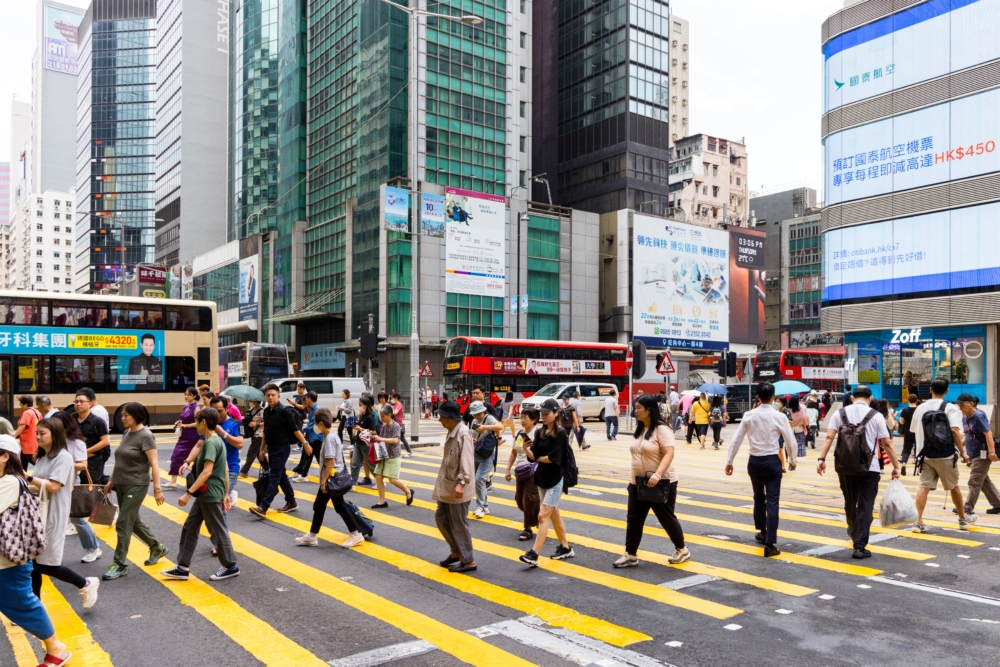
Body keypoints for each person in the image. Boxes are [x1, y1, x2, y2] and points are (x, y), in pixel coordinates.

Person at [0, 435, 72, 667]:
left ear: (4, 457)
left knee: (24, 605)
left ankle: (56, 648)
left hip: (9, 563)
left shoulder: (9, 483)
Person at [818, 385, 900, 558]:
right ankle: (859, 545)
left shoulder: (840, 413)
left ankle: (853, 529)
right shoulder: (876, 416)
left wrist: (821, 459)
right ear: (870, 399)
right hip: (870, 468)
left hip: (845, 467)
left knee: (850, 501)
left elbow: (829, 437)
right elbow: (887, 443)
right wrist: (896, 466)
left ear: (853, 397)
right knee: (865, 505)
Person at [27, 419, 100, 608]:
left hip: (54, 515)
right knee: (34, 563)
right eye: (37, 433)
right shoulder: (43, 456)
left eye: (42, 433)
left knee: (46, 564)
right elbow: (39, 486)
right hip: (38, 513)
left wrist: (26, 476)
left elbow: (52, 486)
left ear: (55, 434)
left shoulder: (64, 457)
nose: (38, 437)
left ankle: (85, 583)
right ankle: (34, 606)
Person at [161, 407, 240, 581]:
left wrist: (188, 493)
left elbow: (207, 472)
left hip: (209, 493)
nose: (195, 424)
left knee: (217, 530)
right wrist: (226, 493)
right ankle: (182, 566)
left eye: (196, 421)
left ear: (203, 422)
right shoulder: (216, 440)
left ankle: (230, 565)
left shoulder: (211, 442)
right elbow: (225, 469)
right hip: (210, 493)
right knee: (190, 527)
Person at [614, 393, 689, 568]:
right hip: (638, 482)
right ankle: (631, 554)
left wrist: (657, 474)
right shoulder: (640, 428)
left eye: (639, 408)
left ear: (649, 410)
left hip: (661, 481)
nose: (635, 411)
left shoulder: (662, 429)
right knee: (634, 518)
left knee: (666, 517)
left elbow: (669, 453)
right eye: (635, 408)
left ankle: (682, 549)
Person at [725, 382, 796, 557]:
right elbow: (790, 440)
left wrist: (729, 461)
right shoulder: (779, 417)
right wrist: (792, 460)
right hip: (772, 461)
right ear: (773, 397)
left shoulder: (749, 415)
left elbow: (736, 440)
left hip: (754, 462)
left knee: (758, 497)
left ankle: (762, 531)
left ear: (757, 397)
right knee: (772, 501)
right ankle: (770, 544)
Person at [101, 402, 167, 580]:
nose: (122, 418)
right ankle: (156, 546)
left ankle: (120, 563)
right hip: (121, 483)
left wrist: (158, 489)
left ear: (136, 416)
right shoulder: (126, 433)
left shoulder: (146, 436)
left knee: (123, 522)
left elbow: (154, 463)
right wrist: (111, 481)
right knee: (133, 521)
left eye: (126, 416)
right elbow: (120, 460)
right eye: (122, 415)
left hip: (137, 484)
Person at [294, 408, 365, 548]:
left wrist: (323, 481)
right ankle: (312, 536)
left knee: (340, 507)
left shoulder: (330, 439)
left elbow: (330, 462)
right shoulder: (331, 436)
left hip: (331, 480)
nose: (314, 426)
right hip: (332, 479)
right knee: (319, 506)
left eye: (315, 423)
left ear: (320, 424)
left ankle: (356, 534)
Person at [519, 398, 574, 566]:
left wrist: (538, 457)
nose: (543, 416)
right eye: (541, 414)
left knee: (543, 516)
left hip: (556, 479)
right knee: (554, 514)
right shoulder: (539, 433)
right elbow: (533, 457)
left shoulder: (561, 433)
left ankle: (534, 554)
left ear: (556, 413)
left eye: (546, 414)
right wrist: (526, 448)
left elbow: (554, 458)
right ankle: (565, 547)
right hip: (541, 478)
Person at [911, 378, 970, 532]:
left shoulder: (920, 408)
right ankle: (962, 520)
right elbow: (955, 431)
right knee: (953, 486)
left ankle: (918, 521)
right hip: (945, 455)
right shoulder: (950, 408)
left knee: (924, 487)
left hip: (924, 455)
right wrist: (963, 452)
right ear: (947, 391)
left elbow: (914, 431)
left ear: (930, 389)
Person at [248, 383, 308, 518]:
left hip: (282, 448)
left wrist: (305, 443)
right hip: (272, 448)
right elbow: (266, 432)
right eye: (268, 395)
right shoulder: (267, 412)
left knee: (274, 476)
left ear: (278, 396)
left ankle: (263, 507)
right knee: (281, 476)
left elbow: (295, 429)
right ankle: (291, 501)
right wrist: (262, 449)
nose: (270, 397)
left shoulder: (284, 411)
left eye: (273, 395)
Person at [51, 412, 101, 563]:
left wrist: (65, 463)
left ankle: (93, 548)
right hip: (53, 481)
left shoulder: (77, 443)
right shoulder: (55, 440)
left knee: (77, 518)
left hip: (71, 482)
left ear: (66, 426)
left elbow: (82, 465)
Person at [433, 401, 477, 572]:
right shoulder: (453, 431)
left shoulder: (463, 434)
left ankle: (469, 560)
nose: (440, 421)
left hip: (458, 487)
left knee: (459, 523)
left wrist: (462, 483)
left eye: (442, 417)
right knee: (441, 518)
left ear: (450, 418)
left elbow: (466, 460)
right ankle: (456, 551)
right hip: (448, 486)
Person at [957, 393, 1000, 518]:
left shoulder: (978, 416)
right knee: (984, 480)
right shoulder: (965, 417)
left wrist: (992, 452)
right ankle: (998, 504)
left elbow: (988, 434)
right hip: (973, 453)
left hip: (982, 454)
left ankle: (968, 507)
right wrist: (960, 450)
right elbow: (966, 435)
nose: (961, 409)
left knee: (974, 481)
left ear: (971, 404)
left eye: (962, 406)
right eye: (959, 406)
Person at [504, 408, 541, 541]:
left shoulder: (538, 434)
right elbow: (514, 452)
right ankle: (539, 517)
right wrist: (508, 469)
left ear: (534, 420)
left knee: (529, 498)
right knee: (519, 500)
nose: (523, 420)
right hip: (520, 470)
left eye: (526, 418)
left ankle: (528, 529)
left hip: (533, 470)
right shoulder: (519, 433)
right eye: (522, 417)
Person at [369, 405, 414, 509]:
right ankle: (382, 501)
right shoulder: (384, 426)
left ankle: (408, 492)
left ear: (390, 415)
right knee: (378, 476)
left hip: (393, 455)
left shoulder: (396, 426)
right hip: (384, 454)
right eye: (380, 415)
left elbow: (395, 440)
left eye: (383, 416)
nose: (381, 418)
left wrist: (380, 439)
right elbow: (381, 439)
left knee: (393, 479)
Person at [469, 400, 504, 518]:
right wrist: (472, 440)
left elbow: (500, 426)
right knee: (479, 481)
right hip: (476, 453)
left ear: (483, 411)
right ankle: (485, 506)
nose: (476, 416)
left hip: (487, 455)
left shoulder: (488, 418)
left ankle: (481, 506)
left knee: (479, 479)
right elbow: (472, 434)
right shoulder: (474, 421)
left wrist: (485, 427)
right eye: (474, 414)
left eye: (478, 413)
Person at [208, 396, 244, 506]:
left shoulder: (236, 423)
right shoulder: (209, 424)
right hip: (211, 469)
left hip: (230, 469)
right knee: (208, 501)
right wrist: (186, 461)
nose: (217, 414)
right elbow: (199, 445)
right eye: (214, 411)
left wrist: (223, 433)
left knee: (219, 502)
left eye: (220, 411)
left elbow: (240, 444)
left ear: (227, 409)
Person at [168, 387, 202, 489]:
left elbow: (198, 423)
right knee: (176, 456)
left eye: (188, 395)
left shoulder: (196, 408)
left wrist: (185, 426)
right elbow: (184, 419)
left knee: (193, 458)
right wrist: (180, 422)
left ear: (194, 396)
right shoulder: (185, 406)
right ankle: (173, 481)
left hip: (192, 436)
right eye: (185, 394)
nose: (186, 396)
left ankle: (198, 480)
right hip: (184, 435)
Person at [75, 388, 111, 485]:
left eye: (81, 401)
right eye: (76, 402)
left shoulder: (97, 421)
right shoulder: (73, 421)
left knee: (92, 488)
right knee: (80, 489)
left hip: (93, 461)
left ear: (90, 404)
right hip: (78, 461)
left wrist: (85, 452)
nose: (78, 404)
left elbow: (105, 441)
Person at [291, 391, 322, 482]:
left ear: (308, 398)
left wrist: (301, 431)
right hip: (312, 436)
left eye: (306, 399)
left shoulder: (317, 409)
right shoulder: (313, 408)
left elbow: (312, 423)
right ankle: (303, 475)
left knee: (320, 458)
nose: (305, 401)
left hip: (317, 437)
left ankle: (331, 475)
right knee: (308, 455)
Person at [351, 396, 377, 486]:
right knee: (354, 463)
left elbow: (373, 431)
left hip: (365, 444)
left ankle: (380, 481)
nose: (359, 406)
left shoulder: (370, 417)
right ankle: (352, 483)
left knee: (370, 464)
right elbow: (359, 426)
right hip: (358, 442)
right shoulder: (361, 415)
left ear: (365, 406)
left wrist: (361, 429)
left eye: (360, 405)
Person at [13, 395, 42, 471]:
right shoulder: (38, 412)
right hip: (34, 441)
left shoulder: (27, 413)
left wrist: (14, 436)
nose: (20, 406)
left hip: (28, 442)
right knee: (23, 462)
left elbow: (22, 426)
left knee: (30, 459)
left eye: (20, 404)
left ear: (25, 404)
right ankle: (23, 477)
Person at [240, 399, 264, 477]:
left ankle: (244, 471)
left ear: (257, 401)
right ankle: (267, 468)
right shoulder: (252, 410)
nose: (251, 402)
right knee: (257, 453)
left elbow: (266, 422)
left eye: (252, 401)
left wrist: (256, 424)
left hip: (259, 435)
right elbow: (249, 421)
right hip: (253, 434)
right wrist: (244, 415)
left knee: (251, 453)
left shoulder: (262, 411)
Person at [898, 393, 919, 476]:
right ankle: (917, 469)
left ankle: (904, 464)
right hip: (917, 431)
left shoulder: (904, 410)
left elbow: (901, 422)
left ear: (908, 400)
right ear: (917, 400)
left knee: (906, 449)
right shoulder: (919, 410)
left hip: (908, 431)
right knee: (918, 449)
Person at [389, 392, 412, 457]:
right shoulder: (393, 405)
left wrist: (390, 411)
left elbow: (395, 412)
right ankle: (406, 452)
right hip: (395, 423)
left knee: (401, 439)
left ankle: (409, 452)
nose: (391, 400)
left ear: (396, 398)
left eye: (392, 398)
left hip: (399, 424)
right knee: (400, 439)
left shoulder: (399, 404)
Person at [787, 395, 809, 459]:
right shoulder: (800, 409)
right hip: (799, 428)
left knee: (790, 443)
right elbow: (805, 418)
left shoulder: (788, 410)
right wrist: (806, 425)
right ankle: (797, 455)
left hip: (790, 429)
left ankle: (791, 456)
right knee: (799, 442)